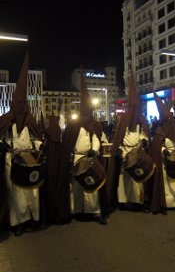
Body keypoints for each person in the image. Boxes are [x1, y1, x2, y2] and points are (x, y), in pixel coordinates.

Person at [0, 52, 44, 236]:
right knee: (16, 194)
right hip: (13, 161)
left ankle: (33, 219)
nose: (20, 106)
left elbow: (38, 137)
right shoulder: (5, 121)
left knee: (33, 192)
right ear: (12, 103)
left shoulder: (30, 120)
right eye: (18, 102)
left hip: (30, 160)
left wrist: (40, 145)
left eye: (23, 103)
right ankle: (17, 223)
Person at [57, 71, 108, 225]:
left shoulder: (95, 125)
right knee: (77, 188)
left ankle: (95, 212)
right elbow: (67, 142)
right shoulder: (74, 125)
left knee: (92, 185)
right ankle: (76, 211)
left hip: (90, 158)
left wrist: (95, 150)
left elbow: (98, 139)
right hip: (77, 159)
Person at [106, 70, 153, 212]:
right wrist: (119, 149)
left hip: (137, 152)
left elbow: (144, 134)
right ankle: (122, 201)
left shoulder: (141, 120)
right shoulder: (124, 120)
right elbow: (118, 137)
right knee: (123, 178)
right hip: (126, 151)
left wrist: (144, 141)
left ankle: (139, 201)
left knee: (138, 178)